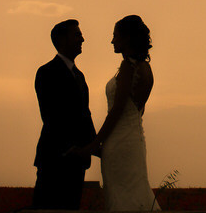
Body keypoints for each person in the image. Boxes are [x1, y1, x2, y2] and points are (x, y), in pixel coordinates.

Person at [91, 15, 158, 211]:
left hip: (119, 143)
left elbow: (117, 110)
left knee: (122, 197)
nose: (112, 40)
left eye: (115, 36)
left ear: (127, 38)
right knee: (135, 190)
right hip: (134, 140)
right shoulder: (146, 68)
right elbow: (139, 109)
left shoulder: (128, 67)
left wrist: (96, 142)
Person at [32, 20, 96, 210]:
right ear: (61, 39)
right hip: (55, 159)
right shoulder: (46, 72)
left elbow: (86, 115)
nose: (82, 39)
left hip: (77, 162)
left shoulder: (80, 76)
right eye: (77, 35)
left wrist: (95, 146)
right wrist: (69, 148)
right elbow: (50, 116)